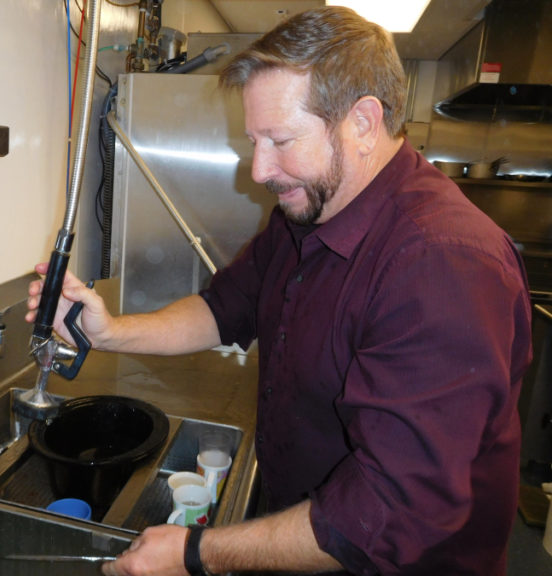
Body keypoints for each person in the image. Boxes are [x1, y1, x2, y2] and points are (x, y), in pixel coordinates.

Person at [26, 6, 532, 575]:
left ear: (363, 123)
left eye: (281, 139)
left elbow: (390, 512)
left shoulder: (443, 263)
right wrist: (112, 331)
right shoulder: (309, 209)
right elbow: (226, 308)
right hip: (307, 535)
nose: (260, 170)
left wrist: (196, 553)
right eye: (254, 141)